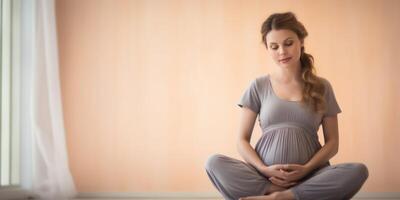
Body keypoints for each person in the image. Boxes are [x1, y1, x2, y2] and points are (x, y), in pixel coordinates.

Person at [204, 12, 368, 200]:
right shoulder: (258, 85)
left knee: (358, 171)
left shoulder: (322, 87)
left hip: (311, 177)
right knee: (214, 163)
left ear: (301, 42)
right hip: (264, 177)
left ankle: (282, 197)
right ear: (268, 48)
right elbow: (242, 140)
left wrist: (306, 169)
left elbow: (332, 143)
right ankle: (275, 191)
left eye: (288, 43)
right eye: (274, 47)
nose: (282, 51)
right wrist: (264, 169)